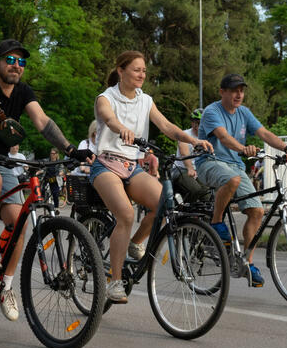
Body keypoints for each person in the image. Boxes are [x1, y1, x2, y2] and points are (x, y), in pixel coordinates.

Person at [0, 38, 93, 322]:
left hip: (1, 163)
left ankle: (5, 285)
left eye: (22, 62)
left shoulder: (23, 92)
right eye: (10, 60)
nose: (16, 66)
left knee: (20, 222)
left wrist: (70, 149)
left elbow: (42, 122)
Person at [90, 51, 213, 304]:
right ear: (121, 71)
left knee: (166, 202)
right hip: (106, 164)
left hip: (132, 166)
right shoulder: (106, 97)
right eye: (136, 70)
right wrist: (120, 128)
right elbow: (109, 118)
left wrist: (194, 140)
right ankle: (114, 281)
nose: (142, 74)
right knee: (124, 214)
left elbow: (167, 127)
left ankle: (135, 243)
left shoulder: (145, 100)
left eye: (144, 70)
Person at [196, 73, 287, 288]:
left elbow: (264, 133)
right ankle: (216, 223)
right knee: (232, 179)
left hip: (234, 165)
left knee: (257, 211)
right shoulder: (211, 111)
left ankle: (246, 263)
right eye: (234, 90)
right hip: (210, 162)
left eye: (241, 90)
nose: (239, 94)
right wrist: (244, 149)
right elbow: (223, 137)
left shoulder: (244, 112)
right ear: (222, 92)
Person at [172, 108, 212, 203]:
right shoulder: (185, 134)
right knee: (195, 189)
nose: (196, 125)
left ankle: (204, 216)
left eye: (199, 123)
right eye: (194, 122)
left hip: (198, 171)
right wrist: (190, 168)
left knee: (207, 194)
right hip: (181, 170)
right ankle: (185, 209)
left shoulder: (207, 137)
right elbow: (184, 152)